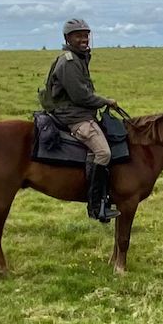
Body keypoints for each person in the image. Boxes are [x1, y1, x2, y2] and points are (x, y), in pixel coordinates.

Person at [39, 18, 122, 222]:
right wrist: (106, 101)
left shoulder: (79, 58)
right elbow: (80, 96)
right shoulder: (69, 62)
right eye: (78, 35)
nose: (84, 39)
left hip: (78, 111)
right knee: (103, 152)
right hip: (73, 116)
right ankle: (95, 206)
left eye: (86, 35)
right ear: (67, 38)